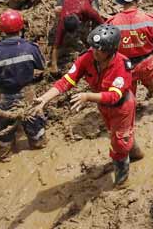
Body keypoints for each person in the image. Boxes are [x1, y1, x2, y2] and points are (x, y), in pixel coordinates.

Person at [34, 24, 139, 186]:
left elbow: (113, 96)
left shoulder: (122, 65)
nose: (95, 52)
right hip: (103, 107)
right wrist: (45, 98)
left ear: (111, 51)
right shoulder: (87, 57)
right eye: (93, 48)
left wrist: (87, 96)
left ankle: (122, 181)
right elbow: (67, 81)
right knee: (119, 135)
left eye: (100, 50)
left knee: (118, 142)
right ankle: (133, 150)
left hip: (122, 106)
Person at [0, 10, 46, 161]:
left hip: (4, 96)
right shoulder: (31, 48)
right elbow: (42, 66)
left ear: (1, 30)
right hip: (27, 92)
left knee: (4, 125)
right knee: (34, 120)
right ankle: (38, 143)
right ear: (21, 28)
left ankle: (5, 155)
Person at [51, 0, 104, 74]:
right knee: (57, 10)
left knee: (96, 18)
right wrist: (53, 65)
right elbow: (56, 45)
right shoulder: (62, 19)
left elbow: (102, 23)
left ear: (79, 21)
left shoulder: (87, 9)